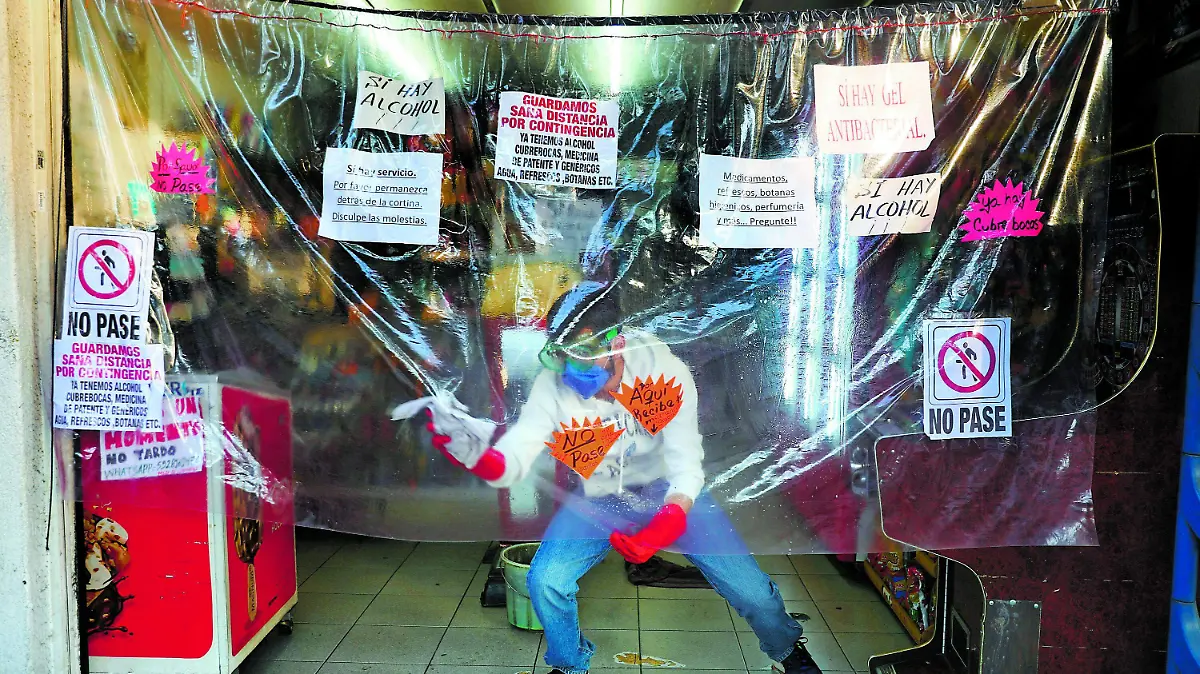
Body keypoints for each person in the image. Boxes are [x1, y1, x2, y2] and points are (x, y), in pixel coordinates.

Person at [427, 281, 822, 674]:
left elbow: (686, 464)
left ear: (616, 344)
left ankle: (787, 650)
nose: (576, 378)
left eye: (587, 363)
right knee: (546, 580)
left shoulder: (661, 372)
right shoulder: (553, 383)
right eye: (565, 360)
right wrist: (479, 458)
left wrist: (668, 522)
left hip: (670, 493)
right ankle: (569, 665)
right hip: (602, 494)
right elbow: (519, 451)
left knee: (752, 592)